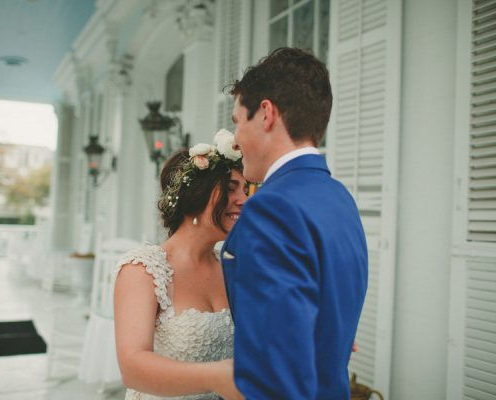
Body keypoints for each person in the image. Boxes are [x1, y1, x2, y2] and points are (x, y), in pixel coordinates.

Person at [220, 47, 369, 399]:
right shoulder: (340, 199)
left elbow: (277, 373)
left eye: (238, 120)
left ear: (266, 114)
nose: (236, 138)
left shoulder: (271, 208)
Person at [113, 129, 248, 400]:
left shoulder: (234, 266)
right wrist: (216, 377)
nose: (244, 200)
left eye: (246, 190)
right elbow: (132, 367)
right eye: (231, 189)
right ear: (196, 195)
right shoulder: (143, 270)